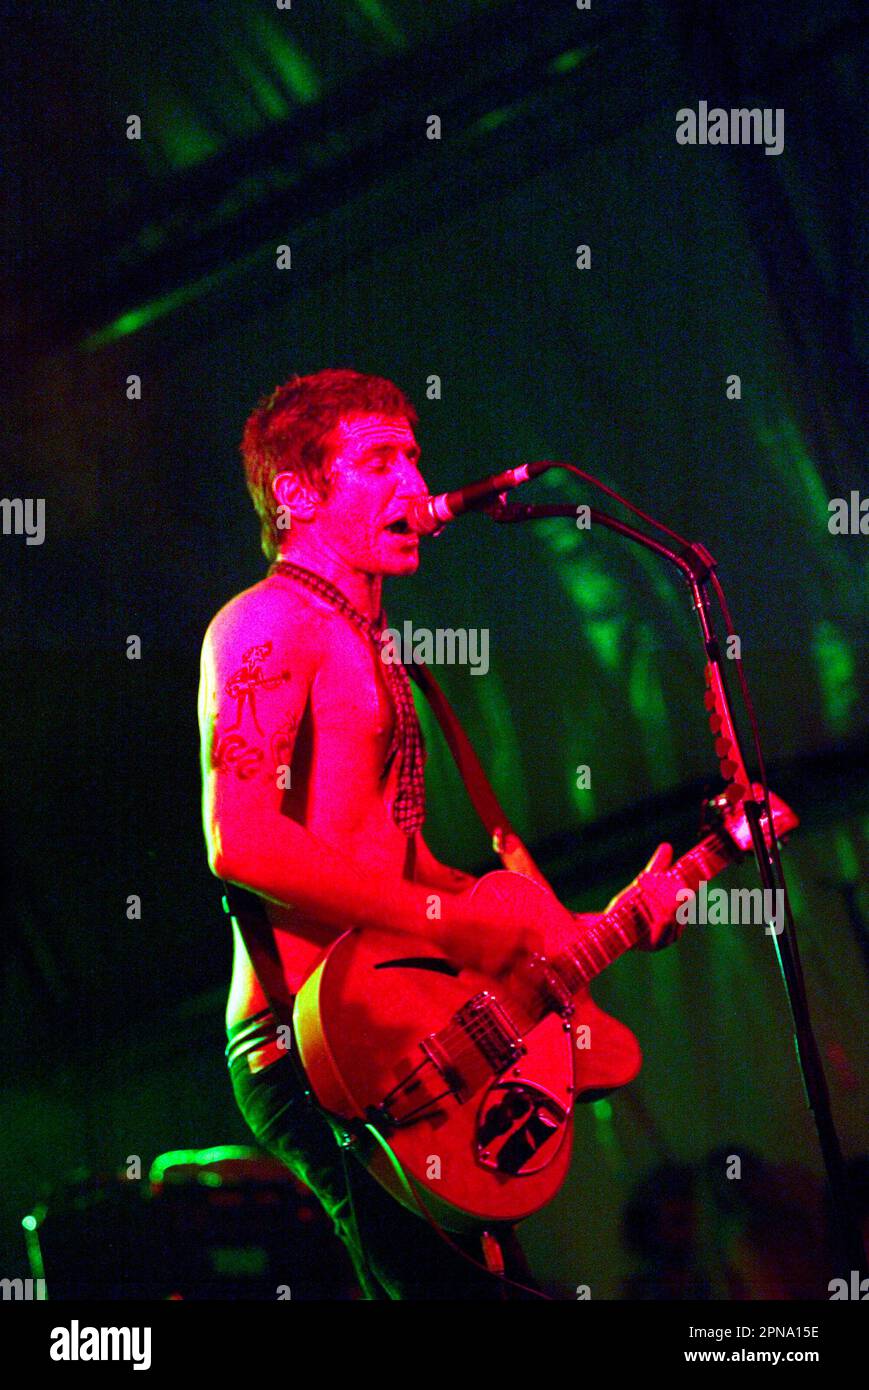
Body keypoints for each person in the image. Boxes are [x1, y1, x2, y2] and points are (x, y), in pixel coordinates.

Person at [198, 367, 685, 1299]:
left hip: (404, 1020)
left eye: (414, 459)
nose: (415, 489)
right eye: (378, 462)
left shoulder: (388, 657)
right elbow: (242, 842)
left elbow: (413, 866)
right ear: (297, 494)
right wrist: (437, 917)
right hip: (311, 1040)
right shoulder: (264, 626)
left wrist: (589, 921)